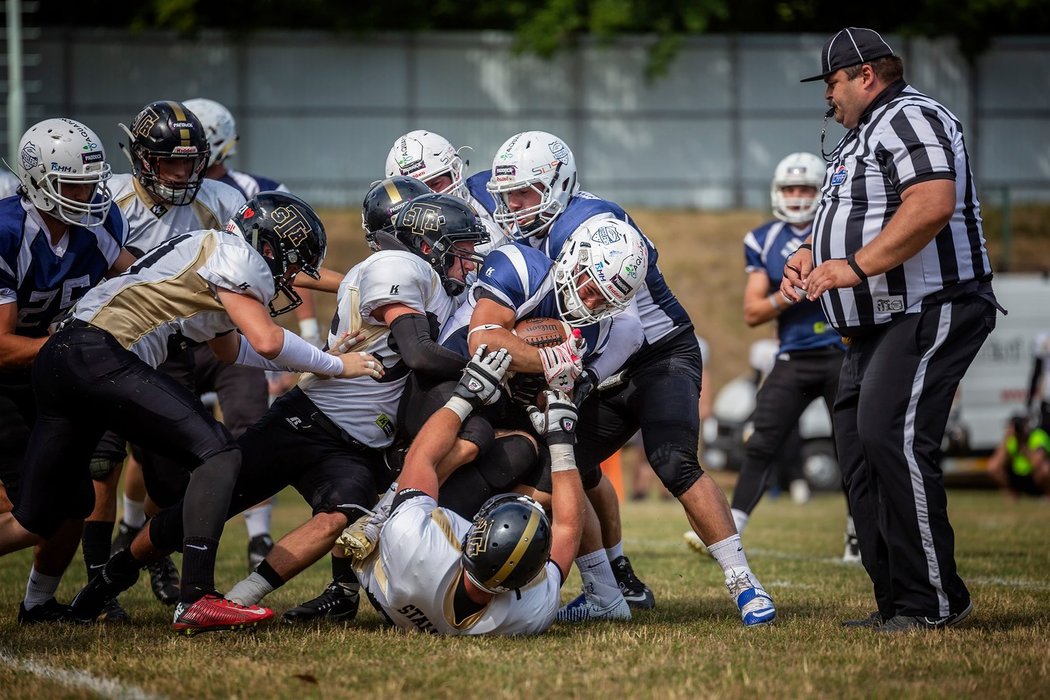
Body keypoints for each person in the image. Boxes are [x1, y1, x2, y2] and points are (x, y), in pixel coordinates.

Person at [2, 191, 380, 636]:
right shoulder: (237, 255)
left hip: (62, 360)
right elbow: (267, 340)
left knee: (39, 515)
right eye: (294, 264)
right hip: (99, 353)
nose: (292, 277)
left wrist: (318, 355)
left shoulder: (214, 255)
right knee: (219, 453)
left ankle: (37, 604)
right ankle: (197, 597)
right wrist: (337, 365)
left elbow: (231, 348)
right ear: (270, 247)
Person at [483, 130, 777, 625]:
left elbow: (628, 325)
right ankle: (607, 595)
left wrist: (582, 376)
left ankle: (745, 584)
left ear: (557, 185)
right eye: (507, 193)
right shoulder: (543, 226)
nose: (512, 205)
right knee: (559, 468)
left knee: (672, 461)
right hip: (602, 358)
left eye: (524, 193)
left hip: (656, 354)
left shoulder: (591, 225)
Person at [784, 27, 1000, 632]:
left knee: (890, 436)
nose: (828, 96)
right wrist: (809, 250)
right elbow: (858, 211)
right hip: (877, 323)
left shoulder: (910, 117)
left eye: (832, 83)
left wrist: (850, 266)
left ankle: (933, 601)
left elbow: (930, 204)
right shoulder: (860, 138)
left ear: (866, 75)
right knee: (856, 450)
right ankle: (897, 602)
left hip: (932, 304)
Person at [88, 99, 247, 616]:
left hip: (172, 344)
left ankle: (149, 553)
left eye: (189, 161)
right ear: (140, 159)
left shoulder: (218, 200)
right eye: (168, 162)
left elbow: (267, 254)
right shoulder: (107, 199)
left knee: (170, 474)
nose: (181, 173)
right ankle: (98, 585)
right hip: (105, 340)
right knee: (99, 463)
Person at [347, 347, 588, 635]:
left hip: (394, 552)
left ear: (470, 538)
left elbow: (421, 458)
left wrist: (465, 396)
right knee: (545, 470)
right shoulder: (529, 614)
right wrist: (563, 440)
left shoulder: (419, 542)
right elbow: (569, 527)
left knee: (481, 437)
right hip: (413, 576)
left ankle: (382, 508)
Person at [0, 118, 136, 624]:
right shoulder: (8, 232)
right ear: (38, 180)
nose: (85, 193)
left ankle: (37, 604)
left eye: (90, 180)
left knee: (76, 500)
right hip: (6, 373)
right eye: (71, 183)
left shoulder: (97, 229)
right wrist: (69, 343)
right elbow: (2, 347)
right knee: (37, 512)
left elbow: (139, 275)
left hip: (43, 373)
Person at [184, 96, 305, 570]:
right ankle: (132, 536)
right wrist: (330, 360)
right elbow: (272, 342)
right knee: (162, 457)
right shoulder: (135, 199)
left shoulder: (250, 194)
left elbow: (293, 262)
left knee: (243, 434)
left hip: (226, 330)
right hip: (168, 335)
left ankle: (257, 537)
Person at [726, 152, 856, 560]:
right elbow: (752, 312)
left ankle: (858, 528)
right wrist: (787, 294)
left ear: (822, 193)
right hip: (794, 355)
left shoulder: (841, 231)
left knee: (853, 445)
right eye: (789, 189)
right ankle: (730, 530)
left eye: (805, 189)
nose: (797, 197)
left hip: (843, 350)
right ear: (777, 193)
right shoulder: (762, 239)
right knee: (762, 438)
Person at [986, 415, 1050, 500]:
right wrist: (1006, 439)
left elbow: (1037, 463)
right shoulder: (1011, 440)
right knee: (992, 467)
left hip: (1033, 477)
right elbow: (996, 465)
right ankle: (1013, 495)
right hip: (1017, 477)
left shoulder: (1037, 436)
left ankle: (1047, 495)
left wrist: (1023, 446)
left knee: (1045, 469)